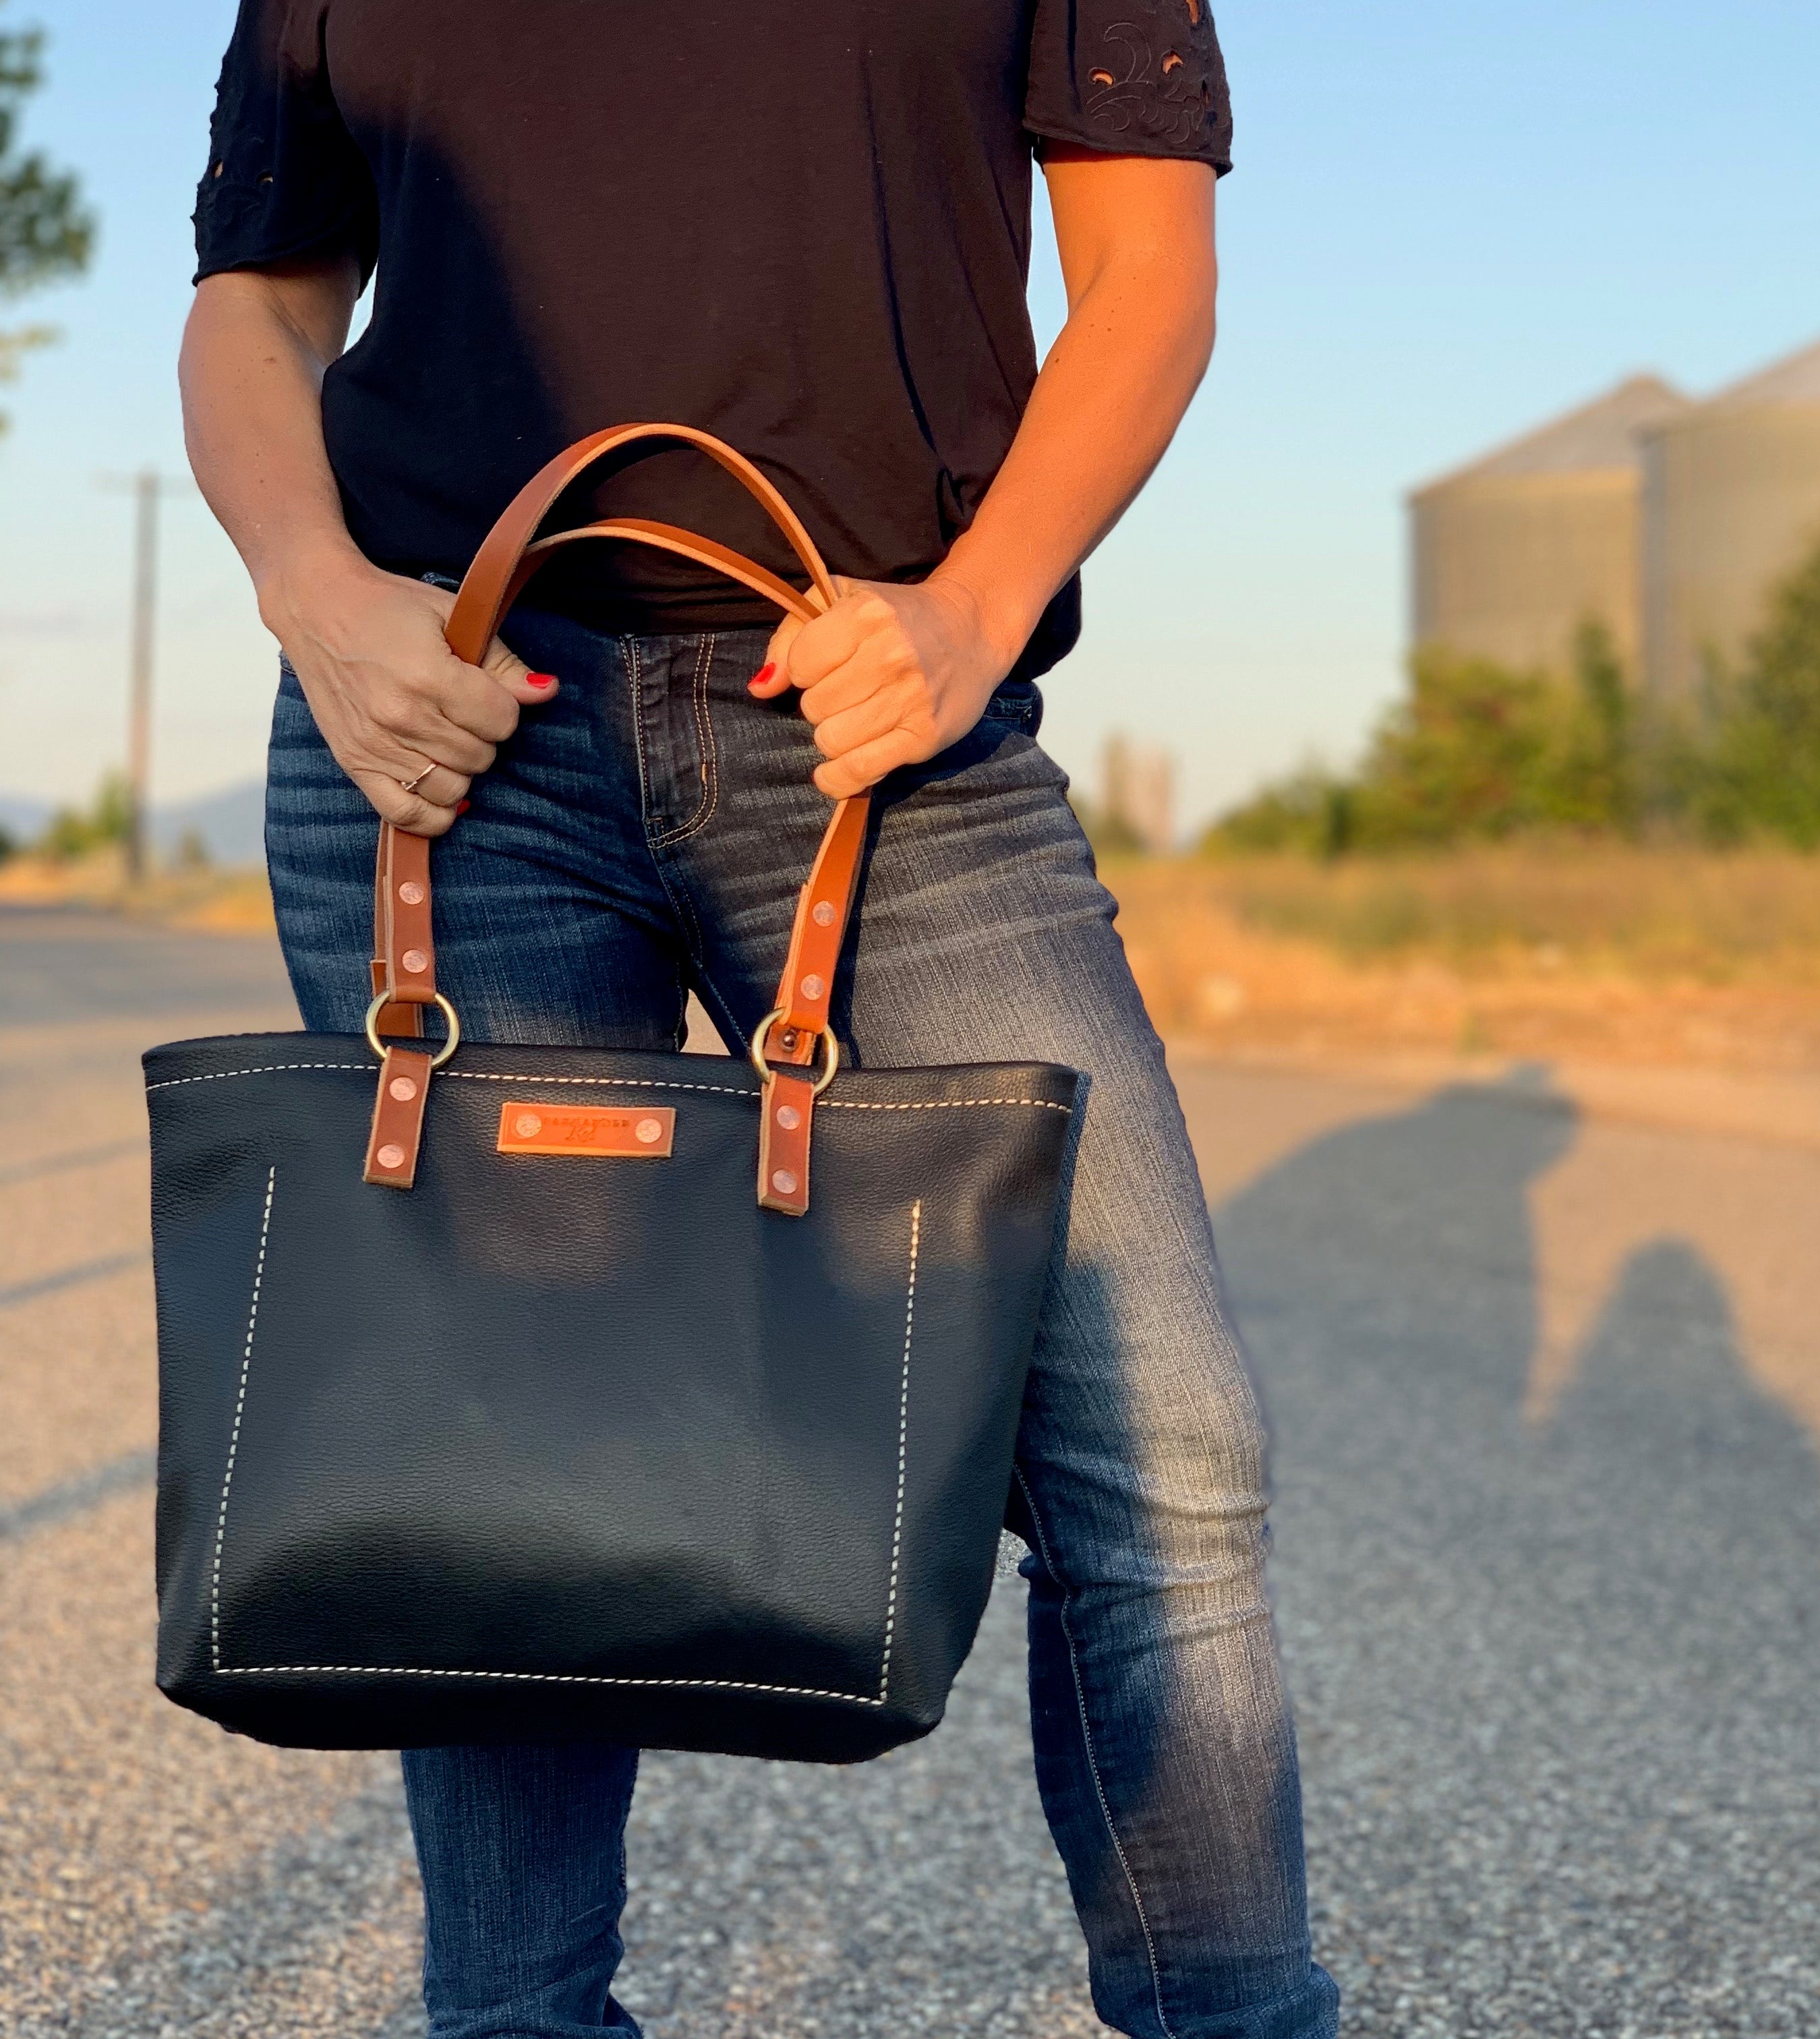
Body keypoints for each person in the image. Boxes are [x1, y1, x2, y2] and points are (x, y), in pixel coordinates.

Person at [179, 4, 1339, 2034]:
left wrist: (977, 609)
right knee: (494, 1469)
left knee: (1159, 1438)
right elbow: (260, 308)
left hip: (888, 710)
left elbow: (1147, 282)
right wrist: (315, 592)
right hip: (451, 733)